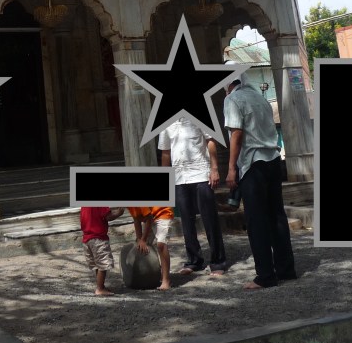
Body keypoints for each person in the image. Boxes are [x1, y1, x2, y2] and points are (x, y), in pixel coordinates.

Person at [224, 78, 297, 290]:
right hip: (273, 160)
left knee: (257, 221)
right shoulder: (259, 97)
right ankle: (286, 269)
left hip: (252, 162)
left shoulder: (233, 99)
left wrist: (231, 169)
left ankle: (265, 275)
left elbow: (236, 133)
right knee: (277, 216)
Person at [158, 116, 226, 276]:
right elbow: (166, 152)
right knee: (186, 222)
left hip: (201, 174)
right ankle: (194, 260)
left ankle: (218, 261)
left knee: (210, 219)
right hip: (180, 176)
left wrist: (214, 169)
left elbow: (211, 141)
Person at [80, 205, 124, 296]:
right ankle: (99, 289)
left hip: (87, 238)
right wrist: (119, 213)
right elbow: (108, 216)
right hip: (98, 238)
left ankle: (101, 286)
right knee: (103, 264)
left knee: (97, 264)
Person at [127, 206, 173, 290]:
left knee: (161, 245)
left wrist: (143, 240)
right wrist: (139, 239)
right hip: (150, 218)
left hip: (162, 214)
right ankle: (149, 274)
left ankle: (166, 280)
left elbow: (149, 219)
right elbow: (136, 219)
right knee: (142, 247)